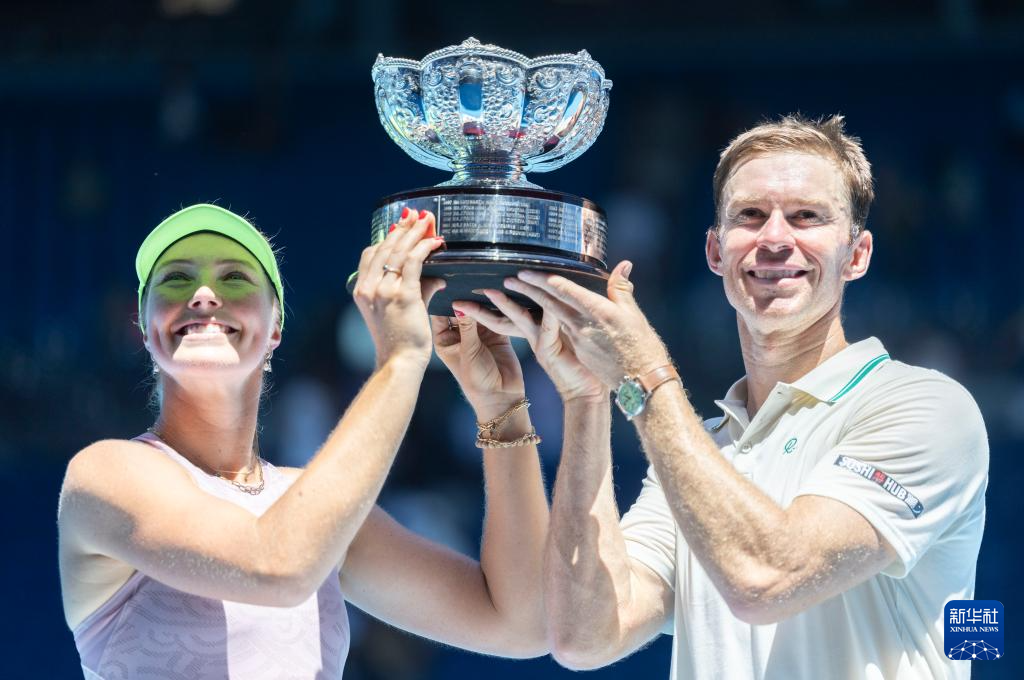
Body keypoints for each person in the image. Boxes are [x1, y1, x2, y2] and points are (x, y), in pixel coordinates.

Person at [454, 115, 989, 679]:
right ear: (715, 251)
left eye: (806, 216)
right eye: (750, 216)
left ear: (857, 255)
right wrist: (585, 397)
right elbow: (586, 636)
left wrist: (642, 372)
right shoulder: (700, 452)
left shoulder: (928, 406)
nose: (775, 239)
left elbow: (765, 580)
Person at [57, 203, 549, 679]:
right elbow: (277, 567)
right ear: (145, 329)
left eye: (234, 277)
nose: (204, 294)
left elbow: (518, 624)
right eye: (176, 278)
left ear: (275, 329)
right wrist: (400, 360)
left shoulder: (321, 513)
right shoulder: (106, 474)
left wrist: (500, 406)